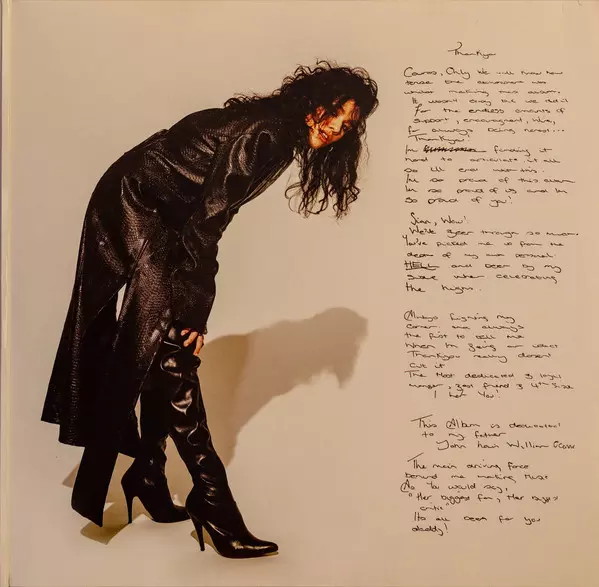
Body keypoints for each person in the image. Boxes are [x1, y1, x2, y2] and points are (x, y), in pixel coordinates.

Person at [41, 60, 379, 558]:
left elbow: (204, 210)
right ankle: (214, 502)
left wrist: (189, 305)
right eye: (332, 113)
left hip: (163, 212)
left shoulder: (280, 134)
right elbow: (208, 223)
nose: (334, 129)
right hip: (136, 204)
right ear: (312, 102)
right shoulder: (268, 133)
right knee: (172, 344)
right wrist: (194, 314)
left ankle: (149, 475)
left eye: (347, 125)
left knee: (161, 343)